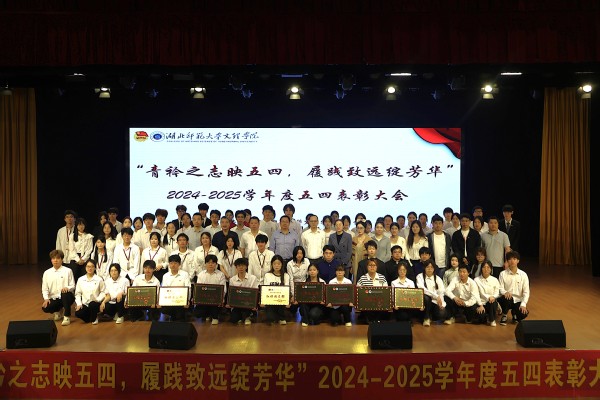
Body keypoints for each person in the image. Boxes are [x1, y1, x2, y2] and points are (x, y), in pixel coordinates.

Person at [41, 249, 75, 326]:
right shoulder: (47, 273)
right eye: (53, 258)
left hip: (67, 296)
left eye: (58, 258)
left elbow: (73, 285)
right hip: (55, 298)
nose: (55, 260)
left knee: (64, 294)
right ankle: (58, 312)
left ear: (62, 259)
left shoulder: (68, 271)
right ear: (51, 260)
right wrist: (46, 298)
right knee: (46, 307)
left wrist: (67, 288)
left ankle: (66, 316)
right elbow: (44, 288)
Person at [498, 251, 530, 325]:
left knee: (523, 314)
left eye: (514, 259)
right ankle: (504, 315)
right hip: (506, 299)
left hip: (518, 300)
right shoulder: (502, 274)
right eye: (510, 259)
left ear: (518, 261)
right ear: (507, 261)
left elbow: (526, 292)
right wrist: (505, 292)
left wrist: (523, 304)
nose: (512, 261)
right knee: (507, 299)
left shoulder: (523, 275)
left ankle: (514, 313)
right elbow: (500, 288)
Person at [194, 254, 227, 325]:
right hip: (204, 299)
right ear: (205, 264)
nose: (210, 264)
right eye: (208, 263)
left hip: (216, 300)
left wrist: (221, 299)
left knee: (215, 308)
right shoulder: (201, 274)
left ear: (216, 264)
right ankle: (207, 315)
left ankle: (215, 317)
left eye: (213, 263)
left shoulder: (221, 274)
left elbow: (223, 289)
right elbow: (199, 289)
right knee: (197, 313)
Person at [261, 255, 294, 325]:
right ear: (272, 264)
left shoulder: (286, 275)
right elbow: (265, 290)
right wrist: (263, 301)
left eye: (278, 264)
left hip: (281, 302)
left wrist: (288, 301)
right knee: (270, 318)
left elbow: (287, 291)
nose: (276, 266)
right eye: (275, 264)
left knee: (282, 315)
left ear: (282, 264)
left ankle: (281, 317)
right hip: (270, 301)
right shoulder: (267, 275)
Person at [228, 257, 259, 325]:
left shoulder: (253, 278)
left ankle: (247, 317)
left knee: (247, 311)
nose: (241, 267)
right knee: (233, 319)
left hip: (248, 304)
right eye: (239, 266)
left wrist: (255, 305)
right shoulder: (232, 279)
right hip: (237, 304)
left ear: (246, 267)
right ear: (236, 267)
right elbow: (232, 294)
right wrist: (230, 303)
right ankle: (243, 317)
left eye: (243, 265)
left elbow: (255, 293)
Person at [74, 260, 107, 325]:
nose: (90, 268)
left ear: (95, 268)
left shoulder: (99, 279)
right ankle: (91, 317)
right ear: (85, 267)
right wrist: (79, 304)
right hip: (85, 304)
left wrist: (98, 299)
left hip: (95, 303)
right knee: (78, 313)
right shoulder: (81, 279)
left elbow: (103, 292)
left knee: (92, 304)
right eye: (88, 266)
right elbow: (78, 293)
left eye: (92, 266)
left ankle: (94, 317)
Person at [161, 254, 192, 322]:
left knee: (179, 316)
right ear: (169, 264)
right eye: (171, 263)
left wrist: (187, 300)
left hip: (181, 300)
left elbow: (188, 288)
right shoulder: (165, 276)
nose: (173, 265)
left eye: (175, 263)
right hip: (170, 300)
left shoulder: (185, 274)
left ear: (179, 264)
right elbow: (164, 290)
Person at [416, 260, 447, 327]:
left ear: (434, 269)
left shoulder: (438, 278)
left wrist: (441, 303)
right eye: (427, 267)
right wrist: (435, 296)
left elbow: (441, 292)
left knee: (442, 313)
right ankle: (426, 318)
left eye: (431, 267)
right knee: (426, 297)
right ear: (424, 268)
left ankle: (431, 316)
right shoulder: (419, 276)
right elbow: (422, 289)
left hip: (435, 302)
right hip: (424, 302)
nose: (429, 269)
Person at [356, 259, 389, 323]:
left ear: (377, 267)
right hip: (367, 302)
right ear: (367, 267)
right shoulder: (362, 278)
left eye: (374, 265)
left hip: (379, 302)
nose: (372, 267)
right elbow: (358, 292)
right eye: (370, 265)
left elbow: (386, 291)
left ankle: (376, 320)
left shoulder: (382, 278)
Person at [474, 260, 501, 327]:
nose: (486, 269)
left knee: (492, 302)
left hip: (491, 301)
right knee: (480, 318)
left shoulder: (495, 280)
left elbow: (497, 292)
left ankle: (492, 320)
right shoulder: (476, 280)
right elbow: (476, 294)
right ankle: (486, 316)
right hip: (481, 303)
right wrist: (480, 305)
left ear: (491, 269)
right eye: (484, 267)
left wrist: (493, 297)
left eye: (488, 267)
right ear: (481, 269)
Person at [286, 245, 310, 317]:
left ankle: (305, 318)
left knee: (304, 307)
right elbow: (291, 280)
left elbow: (308, 276)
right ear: (294, 254)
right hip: (294, 287)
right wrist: (294, 295)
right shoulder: (290, 264)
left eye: (301, 253)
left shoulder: (306, 261)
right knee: (292, 308)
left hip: (304, 287)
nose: (299, 255)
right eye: (297, 253)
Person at [68, 217, 94, 282]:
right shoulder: (72, 236)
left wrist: (83, 259)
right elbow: (71, 249)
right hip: (75, 258)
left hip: (85, 258)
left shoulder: (89, 236)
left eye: (82, 225)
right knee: (73, 274)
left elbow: (89, 249)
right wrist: (78, 259)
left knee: (84, 275)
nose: (81, 226)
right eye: (79, 225)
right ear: (76, 226)